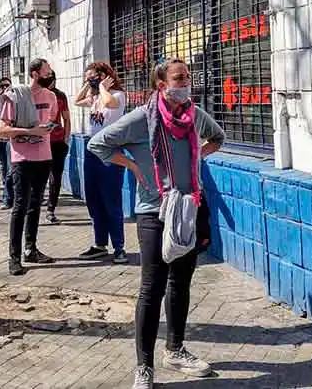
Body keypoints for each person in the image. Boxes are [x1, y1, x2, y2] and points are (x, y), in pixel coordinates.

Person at [87, 58, 225, 389]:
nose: (186, 82)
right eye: (180, 78)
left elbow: (217, 137)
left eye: (188, 77)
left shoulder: (193, 116)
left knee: (181, 282)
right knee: (152, 287)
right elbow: (98, 144)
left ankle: (175, 349)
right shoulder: (141, 119)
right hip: (153, 211)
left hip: (188, 208)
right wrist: (133, 167)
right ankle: (144, 367)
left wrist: (196, 158)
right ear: (162, 85)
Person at [0, 59, 58, 276]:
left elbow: (51, 122)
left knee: (35, 205)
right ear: (34, 74)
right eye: (47, 71)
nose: (50, 75)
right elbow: (2, 131)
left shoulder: (51, 97)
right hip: (22, 158)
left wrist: (49, 129)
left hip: (44, 157)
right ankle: (13, 257)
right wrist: (32, 131)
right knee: (20, 205)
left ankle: (30, 249)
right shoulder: (15, 96)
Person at [75, 61, 129, 263]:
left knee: (110, 199)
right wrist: (88, 85)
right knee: (94, 198)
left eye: (94, 76)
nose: (91, 80)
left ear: (105, 76)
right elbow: (77, 100)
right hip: (91, 149)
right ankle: (99, 244)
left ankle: (119, 246)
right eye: (88, 77)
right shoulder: (95, 96)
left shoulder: (116, 95)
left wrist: (104, 87)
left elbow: (110, 104)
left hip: (110, 149)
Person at [43, 71, 71, 224]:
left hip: (57, 141)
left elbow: (67, 118)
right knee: (39, 177)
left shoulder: (60, 95)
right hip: (40, 142)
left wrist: (66, 138)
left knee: (56, 177)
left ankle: (51, 209)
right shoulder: (37, 95)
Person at [0, 77, 14, 209]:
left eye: (6, 85)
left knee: (10, 170)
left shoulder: (14, 100)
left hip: (10, 140)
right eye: (1, 86)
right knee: (5, 169)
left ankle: (8, 198)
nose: (4, 88)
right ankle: (7, 197)